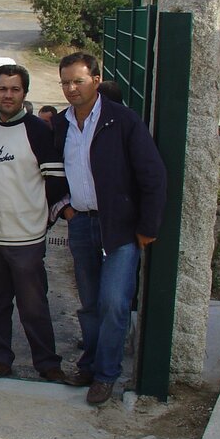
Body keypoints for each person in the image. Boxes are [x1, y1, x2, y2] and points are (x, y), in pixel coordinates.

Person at [53, 53, 166, 405]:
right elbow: (51, 173)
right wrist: (66, 210)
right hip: (81, 224)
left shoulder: (122, 121)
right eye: (66, 82)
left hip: (120, 228)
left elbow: (153, 175)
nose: (72, 88)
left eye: (78, 81)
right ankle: (89, 364)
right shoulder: (60, 125)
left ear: (96, 80)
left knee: (114, 302)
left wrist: (148, 226)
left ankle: (106, 375)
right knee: (88, 303)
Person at [0, 64, 67, 382]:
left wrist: (39, 218)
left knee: (33, 306)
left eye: (15, 89)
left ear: (24, 93)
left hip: (25, 238)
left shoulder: (37, 131)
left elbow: (56, 183)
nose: (8, 95)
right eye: (3, 89)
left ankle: (47, 364)